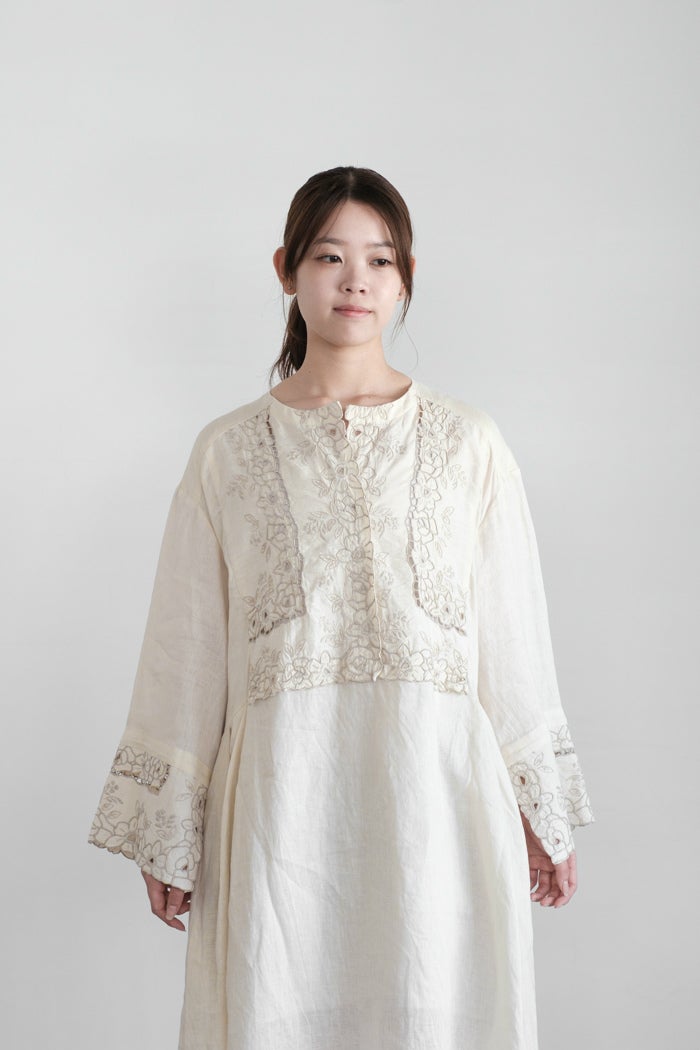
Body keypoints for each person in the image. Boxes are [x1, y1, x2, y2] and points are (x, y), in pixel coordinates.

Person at [88, 165, 594, 1050]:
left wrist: (539, 808)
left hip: (437, 803)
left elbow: (514, 635)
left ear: (405, 279)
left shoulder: (469, 443)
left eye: (380, 260)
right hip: (284, 807)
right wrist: (169, 826)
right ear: (286, 269)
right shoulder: (227, 453)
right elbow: (185, 644)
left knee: (439, 1000)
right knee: (277, 1000)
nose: (355, 280)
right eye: (329, 256)